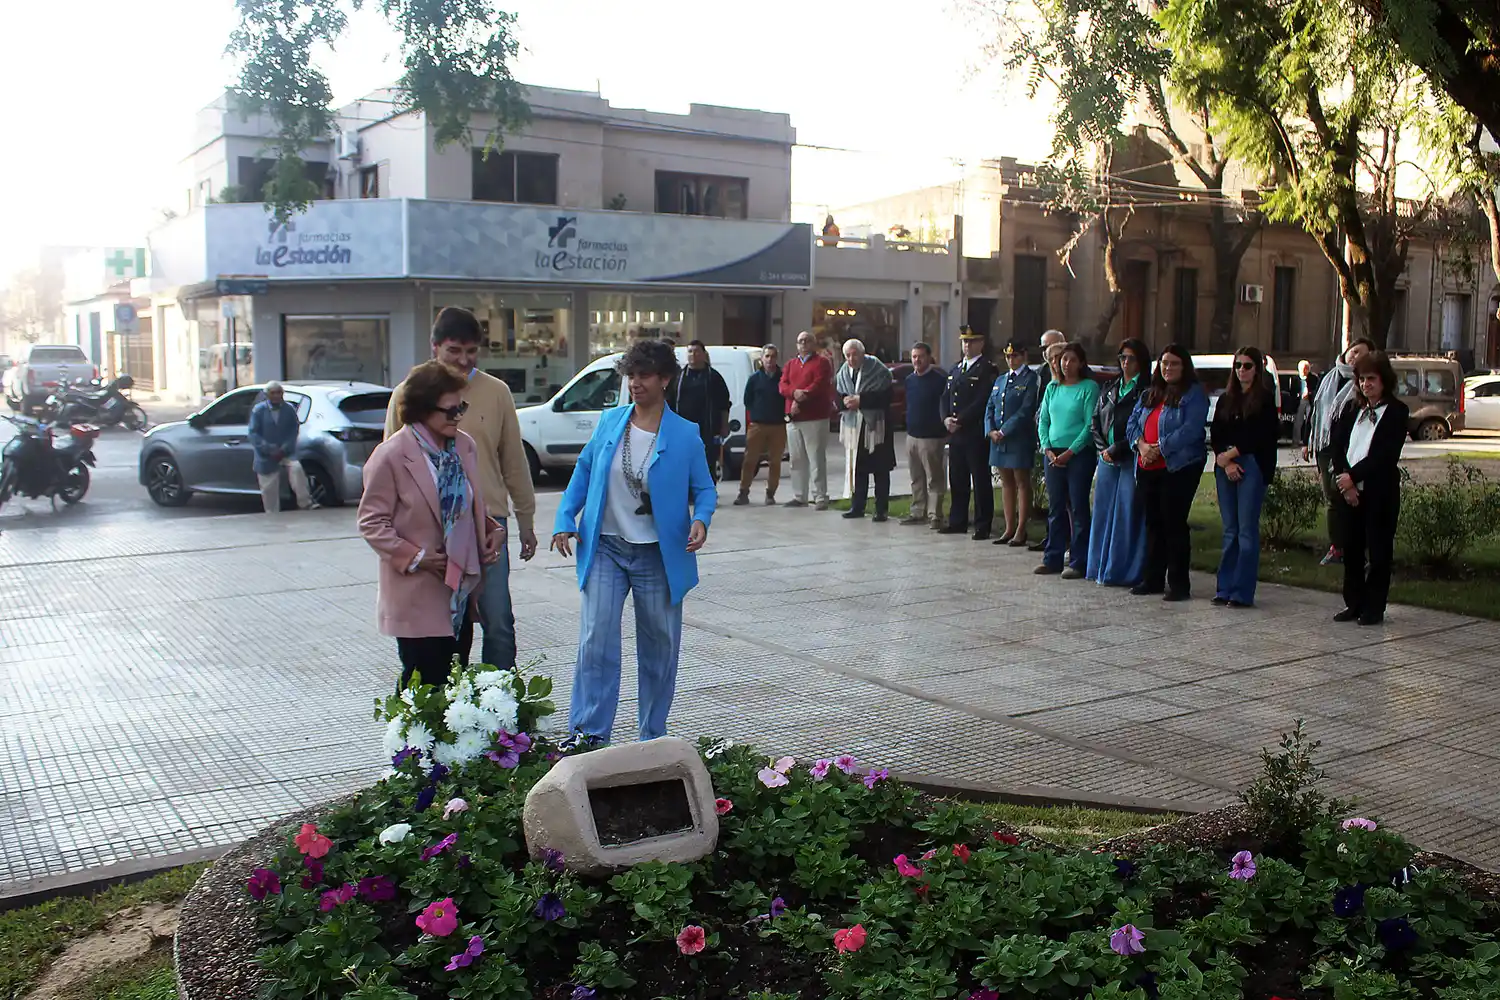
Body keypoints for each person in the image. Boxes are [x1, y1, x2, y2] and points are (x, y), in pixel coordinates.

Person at [552, 340, 717, 742]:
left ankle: (652, 736)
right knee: (596, 639)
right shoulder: (611, 422)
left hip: (658, 555)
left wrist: (701, 519)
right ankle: (589, 734)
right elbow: (585, 471)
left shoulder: (686, 435)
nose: (635, 383)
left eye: (644, 375)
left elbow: (706, 489)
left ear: (664, 379)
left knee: (660, 647)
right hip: (607, 546)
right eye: (631, 375)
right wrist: (563, 518)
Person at [385, 306, 538, 671]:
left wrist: (526, 520)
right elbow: (390, 463)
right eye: (454, 350)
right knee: (443, 627)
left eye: (471, 351)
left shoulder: (496, 392)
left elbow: (513, 460)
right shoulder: (408, 394)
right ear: (435, 347)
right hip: (432, 529)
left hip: (489, 527)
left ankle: (502, 710)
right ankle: (447, 708)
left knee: (499, 619)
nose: (463, 360)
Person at [360, 361, 502, 690]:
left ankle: (446, 744)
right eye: (450, 411)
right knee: (421, 685)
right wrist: (416, 556)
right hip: (416, 591)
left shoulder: (464, 446)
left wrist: (492, 531)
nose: (458, 417)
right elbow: (371, 522)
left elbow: (467, 505)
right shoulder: (391, 455)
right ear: (423, 410)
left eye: (461, 408)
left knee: (454, 682)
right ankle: (409, 744)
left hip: (459, 591)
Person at [1329, 351, 1409, 626]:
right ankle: (1354, 603)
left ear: (1384, 380)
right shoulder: (1352, 409)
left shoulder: (1397, 412)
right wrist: (1344, 481)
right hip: (1349, 491)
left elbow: (1385, 456)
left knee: (1378, 552)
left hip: (1379, 492)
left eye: (1371, 379)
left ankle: (1374, 607)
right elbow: (1337, 446)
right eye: (1362, 379)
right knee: (1351, 550)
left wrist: (1353, 476)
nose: (1366, 385)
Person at [1128, 344, 1208, 602]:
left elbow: (1191, 430)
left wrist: (1159, 448)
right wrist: (1141, 446)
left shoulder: (1194, 394)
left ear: (1184, 367)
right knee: (1152, 523)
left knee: (1173, 523)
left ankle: (1178, 584)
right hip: (1147, 466)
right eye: (1164, 363)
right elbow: (1132, 424)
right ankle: (1152, 579)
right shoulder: (1150, 394)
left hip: (1179, 467)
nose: (1168, 368)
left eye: (1174, 363)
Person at [1210, 346, 1281, 608]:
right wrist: (1224, 459)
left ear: (1257, 369)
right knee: (1230, 530)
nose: (1242, 370)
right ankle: (1225, 587)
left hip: (1251, 463)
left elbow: (1261, 435)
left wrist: (1233, 454)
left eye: (1248, 365)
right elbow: (1216, 432)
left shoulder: (1263, 399)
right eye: (1238, 365)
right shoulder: (1226, 399)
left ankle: (1241, 592)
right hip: (1225, 464)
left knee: (1246, 531)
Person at [1304, 338, 1375, 567]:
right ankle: (1337, 547)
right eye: (1354, 351)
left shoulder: (1362, 385)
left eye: (1362, 354)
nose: (1355, 357)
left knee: (1353, 497)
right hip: (1325, 447)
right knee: (1332, 497)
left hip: (1351, 449)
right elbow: (1315, 410)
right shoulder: (1329, 378)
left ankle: (1357, 549)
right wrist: (1308, 441)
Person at [1035, 343, 1100, 577]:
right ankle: (1052, 558)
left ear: (1081, 363)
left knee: (1078, 506)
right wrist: (1047, 448)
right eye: (1063, 360)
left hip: (1078, 454)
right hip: (1053, 453)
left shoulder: (1089, 388)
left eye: (1072, 360)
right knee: (1055, 507)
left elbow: (1089, 425)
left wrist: (1071, 451)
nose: (1066, 364)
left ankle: (1079, 560)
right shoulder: (1053, 387)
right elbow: (1043, 420)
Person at [1087, 339, 1148, 586]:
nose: (1125, 363)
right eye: (1122, 357)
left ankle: (1121, 570)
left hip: (1129, 457)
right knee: (1102, 513)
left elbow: (1139, 425)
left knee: (1126, 512)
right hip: (1106, 459)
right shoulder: (1110, 387)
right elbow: (1095, 421)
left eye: (1131, 358)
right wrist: (1103, 449)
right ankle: (1098, 566)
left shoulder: (1146, 390)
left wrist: (1117, 448)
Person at [939, 326, 1001, 539]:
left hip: (974, 433)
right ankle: (958, 521)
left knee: (980, 480)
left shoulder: (987, 369)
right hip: (955, 434)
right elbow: (944, 397)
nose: (967, 346)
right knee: (957, 479)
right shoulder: (956, 368)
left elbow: (983, 399)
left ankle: (983, 524)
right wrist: (945, 418)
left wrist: (961, 419)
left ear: (981, 343)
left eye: (972, 342)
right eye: (964, 342)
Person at [985, 341, 1041, 546]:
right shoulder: (1001, 379)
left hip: (1017, 438)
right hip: (998, 439)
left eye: (1015, 356)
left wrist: (1004, 430)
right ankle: (1009, 528)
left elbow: (1026, 410)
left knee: (1021, 482)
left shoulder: (1030, 378)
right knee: (1005, 482)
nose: (1011, 360)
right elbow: (990, 406)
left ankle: (1021, 529)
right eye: (1008, 356)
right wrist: (990, 430)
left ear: (1024, 356)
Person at [835, 339, 896, 522]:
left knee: (880, 469)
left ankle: (881, 509)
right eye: (848, 355)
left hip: (876, 426)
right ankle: (857, 506)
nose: (851, 359)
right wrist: (844, 401)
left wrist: (862, 400)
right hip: (854, 426)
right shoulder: (844, 371)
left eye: (855, 354)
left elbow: (886, 397)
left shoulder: (877, 369)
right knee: (858, 469)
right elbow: (838, 394)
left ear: (863, 353)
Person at [780, 330, 837, 510]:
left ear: (813, 343)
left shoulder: (822, 363)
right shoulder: (790, 364)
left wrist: (801, 397)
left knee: (816, 458)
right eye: (800, 341)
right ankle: (800, 496)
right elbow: (783, 385)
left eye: (807, 340)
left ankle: (820, 496)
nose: (803, 343)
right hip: (794, 418)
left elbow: (819, 384)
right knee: (796, 459)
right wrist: (793, 394)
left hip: (815, 417)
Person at [249, 380, 316, 516]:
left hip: (286, 451)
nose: (276, 396)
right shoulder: (259, 410)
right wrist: (269, 449)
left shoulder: (289, 409)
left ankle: (305, 502)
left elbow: (294, 430)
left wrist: (285, 448)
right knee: (269, 487)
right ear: (267, 395)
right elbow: (253, 433)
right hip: (266, 454)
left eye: (279, 393)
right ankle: (272, 513)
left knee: (297, 469)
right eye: (273, 393)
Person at [1028, 330, 1069, 552]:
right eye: (1044, 350)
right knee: (1054, 500)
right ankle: (1053, 540)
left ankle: (1071, 544)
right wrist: (1044, 442)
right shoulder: (1044, 374)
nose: (1048, 356)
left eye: (1052, 350)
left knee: (1071, 502)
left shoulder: (1079, 377)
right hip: (1049, 444)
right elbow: (1040, 411)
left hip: (1070, 447)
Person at [901, 342, 949, 527]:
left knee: (934, 478)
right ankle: (917, 511)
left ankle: (935, 514)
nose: (917, 360)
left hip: (932, 437)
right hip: (912, 436)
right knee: (916, 478)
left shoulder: (938, 380)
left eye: (920, 356)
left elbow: (945, 405)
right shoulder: (910, 380)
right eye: (914, 356)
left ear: (929, 357)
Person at [670, 340, 731, 479]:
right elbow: (670, 402)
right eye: (690, 351)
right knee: (684, 463)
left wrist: (724, 425)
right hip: (683, 429)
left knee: (707, 464)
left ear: (704, 354)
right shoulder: (679, 377)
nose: (693, 355)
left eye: (697, 351)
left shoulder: (713, 377)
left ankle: (707, 495)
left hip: (707, 429)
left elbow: (724, 404)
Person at [735, 345, 786, 506]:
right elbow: (747, 400)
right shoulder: (754, 379)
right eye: (767, 356)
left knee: (775, 461)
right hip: (757, 425)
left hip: (778, 425)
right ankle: (743, 492)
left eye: (773, 356)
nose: (770, 360)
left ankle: (770, 493)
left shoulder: (783, 377)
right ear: (762, 359)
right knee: (750, 460)